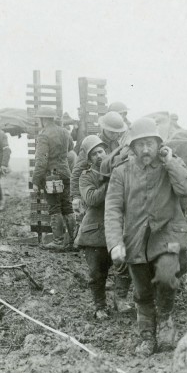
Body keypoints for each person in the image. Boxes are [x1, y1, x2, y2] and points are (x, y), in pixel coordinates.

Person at [105, 118, 187, 356]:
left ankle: (166, 320)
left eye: (151, 143)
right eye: (141, 144)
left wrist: (170, 162)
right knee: (142, 292)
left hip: (169, 234)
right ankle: (147, 337)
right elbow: (113, 208)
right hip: (136, 238)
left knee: (167, 274)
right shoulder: (121, 172)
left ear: (159, 145)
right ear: (132, 147)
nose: (146, 149)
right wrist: (115, 243)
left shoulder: (171, 164)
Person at [75, 135, 117, 319]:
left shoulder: (118, 171)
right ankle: (100, 307)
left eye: (101, 151)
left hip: (116, 230)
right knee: (97, 274)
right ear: (89, 159)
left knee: (126, 268)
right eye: (94, 154)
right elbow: (91, 198)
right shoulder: (86, 177)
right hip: (95, 233)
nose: (99, 156)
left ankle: (120, 300)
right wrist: (109, 183)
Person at [31, 106, 76, 251]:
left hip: (52, 176)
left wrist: (36, 181)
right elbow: (71, 147)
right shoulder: (65, 131)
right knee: (67, 207)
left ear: (43, 119)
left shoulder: (43, 135)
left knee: (54, 207)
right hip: (66, 174)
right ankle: (73, 242)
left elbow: (41, 161)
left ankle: (58, 241)